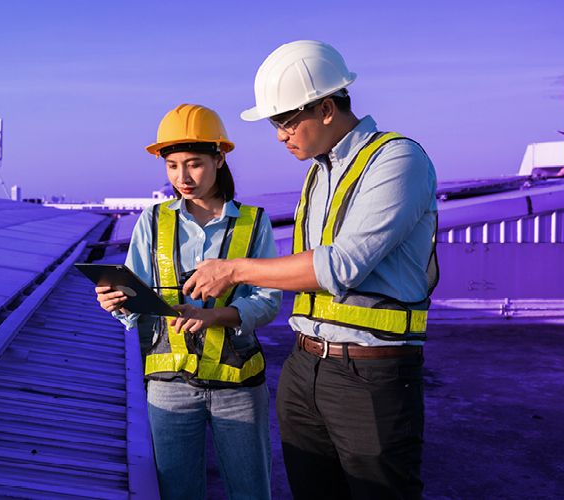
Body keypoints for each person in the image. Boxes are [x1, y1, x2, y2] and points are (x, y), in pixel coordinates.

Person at [180, 40, 439, 499]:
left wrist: (234, 270)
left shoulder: (398, 160)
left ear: (324, 108)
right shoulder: (318, 173)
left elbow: (341, 265)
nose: (279, 134)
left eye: (284, 120)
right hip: (305, 368)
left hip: (370, 374)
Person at [96, 103, 280, 500]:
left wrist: (215, 315)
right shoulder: (153, 221)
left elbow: (267, 301)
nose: (183, 177)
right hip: (168, 385)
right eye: (172, 166)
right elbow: (137, 295)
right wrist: (118, 302)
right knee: (178, 493)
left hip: (238, 385)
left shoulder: (253, 221)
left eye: (194, 164)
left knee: (251, 492)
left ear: (219, 157)